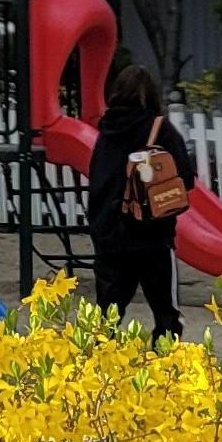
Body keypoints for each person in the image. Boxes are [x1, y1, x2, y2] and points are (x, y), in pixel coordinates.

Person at [86, 52, 189, 338]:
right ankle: (164, 366)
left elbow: (98, 181)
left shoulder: (106, 132)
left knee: (107, 312)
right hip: (152, 234)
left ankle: (99, 367)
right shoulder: (160, 130)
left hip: (110, 233)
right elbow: (185, 179)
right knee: (165, 311)